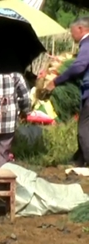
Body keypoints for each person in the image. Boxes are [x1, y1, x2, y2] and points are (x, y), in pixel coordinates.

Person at [46, 16, 89, 167]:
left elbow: (79, 66)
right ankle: (79, 160)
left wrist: (56, 81)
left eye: (72, 32)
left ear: (80, 29)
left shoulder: (87, 43)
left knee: (84, 127)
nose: (71, 36)